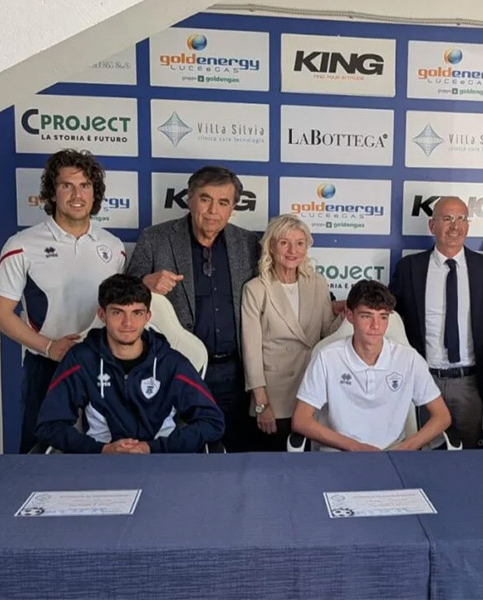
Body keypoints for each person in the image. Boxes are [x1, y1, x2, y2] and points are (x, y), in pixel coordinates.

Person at [0, 149, 125, 453]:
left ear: (94, 193)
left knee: (103, 455)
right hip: (47, 365)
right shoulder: (22, 245)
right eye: (67, 185)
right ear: (52, 192)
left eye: (85, 185)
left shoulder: (114, 246)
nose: (77, 195)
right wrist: (49, 347)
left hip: (102, 365)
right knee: (39, 455)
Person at [126, 166, 259, 452]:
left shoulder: (248, 243)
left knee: (234, 454)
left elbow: (275, 288)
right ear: (190, 199)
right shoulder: (156, 238)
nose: (213, 210)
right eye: (205, 199)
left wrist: (327, 303)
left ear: (233, 208)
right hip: (174, 370)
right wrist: (144, 283)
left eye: (223, 202)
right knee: (181, 455)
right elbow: (123, 295)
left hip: (234, 373)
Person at [35, 274, 224, 453]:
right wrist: (101, 450)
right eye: (118, 312)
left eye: (137, 313)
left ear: (147, 316)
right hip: (99, 462)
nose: (128, 323)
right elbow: (49, 425)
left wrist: (152, 448)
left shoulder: (172, 363)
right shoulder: (81, 360)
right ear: (102, 314)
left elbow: (212, 422)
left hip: (161, 461)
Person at [390, 196, 483, 449]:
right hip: (423, 379)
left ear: (468, 225)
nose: (455, 226)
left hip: (468, 381)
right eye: (447, 219)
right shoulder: (410, 267)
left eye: (461, 219)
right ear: (432, 225)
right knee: (424, 452)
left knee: (468, 454)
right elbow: (389, 311)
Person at [292, 280, 451, 451]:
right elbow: (301, 420)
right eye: (366, 316)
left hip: (394, 452)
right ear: (350, 316)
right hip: (340, 453)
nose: (376, 326)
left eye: (383, 317)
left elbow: (442, 416)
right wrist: (355, 447)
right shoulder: (326, 358)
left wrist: (405, 448)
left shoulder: (409, 359)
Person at [241, 214, 341, 450]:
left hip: (312, 389)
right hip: (275, 397)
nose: (292, 250)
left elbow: (327, 332)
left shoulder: (317, 283)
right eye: (284, 243)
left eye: (299, 243)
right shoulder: (256, 289)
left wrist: (347, 316)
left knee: (312, 464)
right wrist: (261, 404)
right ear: (271, 246)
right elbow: (251, 351)